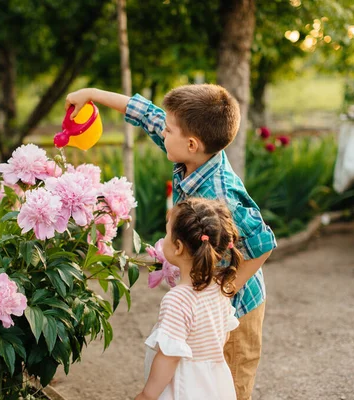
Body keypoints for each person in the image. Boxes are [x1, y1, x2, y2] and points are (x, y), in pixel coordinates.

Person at [66, 84, 276, 399]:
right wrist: (94, 94)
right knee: (194, 377)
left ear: (191, 143)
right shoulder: (194, 155)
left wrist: (225, 289)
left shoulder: (219, 191)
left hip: (235, 307)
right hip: (204, 293)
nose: (161, 132)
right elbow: (147, 115)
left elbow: (263, 242)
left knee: (229, 382)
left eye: (167, 130)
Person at [135, 197, 242, 400]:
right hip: (215, 383)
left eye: (166, 233)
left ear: (178, 247)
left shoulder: (178, 299)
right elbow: (223, 335)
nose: (163, 238)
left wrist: (147, 395)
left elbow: (169, 357)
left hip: (185, 387)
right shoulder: (218, 287)